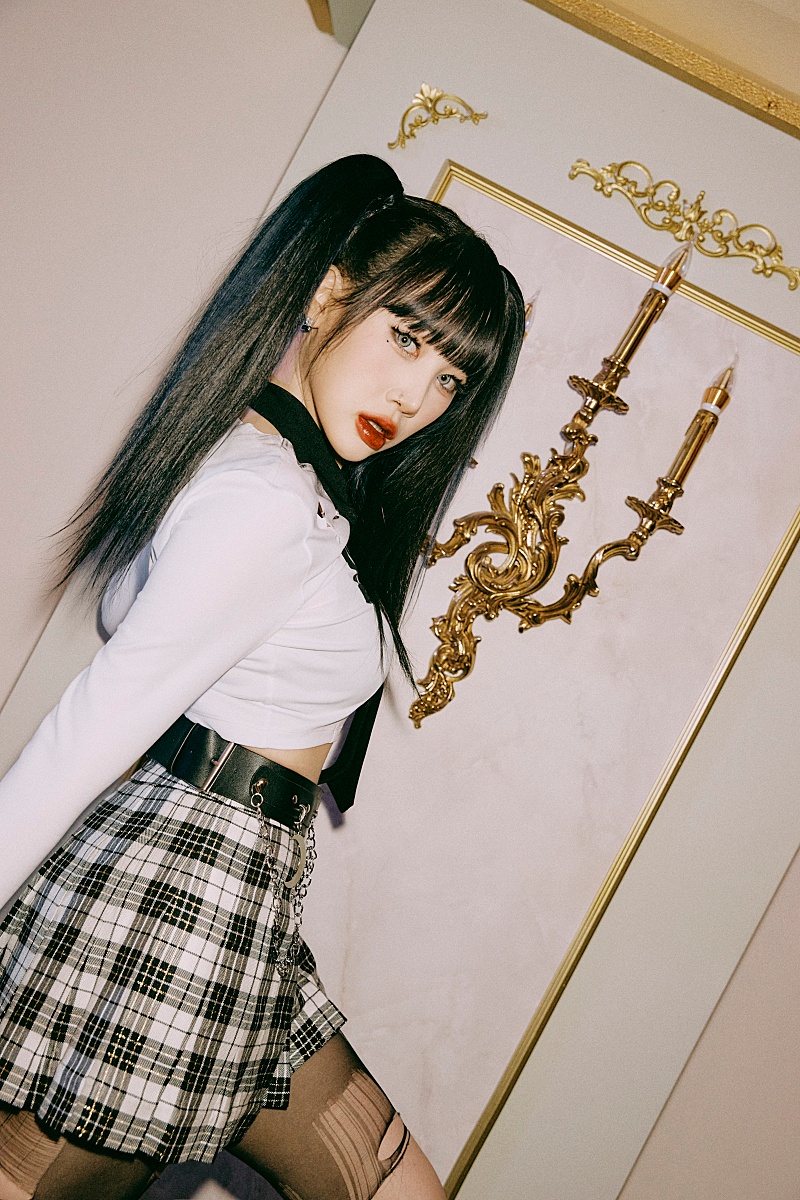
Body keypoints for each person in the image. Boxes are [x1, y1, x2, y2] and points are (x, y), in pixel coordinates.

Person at [0, 154, 524, 1200]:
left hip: (243, 901)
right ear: (326, 294)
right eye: (406, 337)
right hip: (180, 904)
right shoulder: (265, 502)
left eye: (450, 379)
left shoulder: (273, 476)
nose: (417, 396)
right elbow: (93, 727)